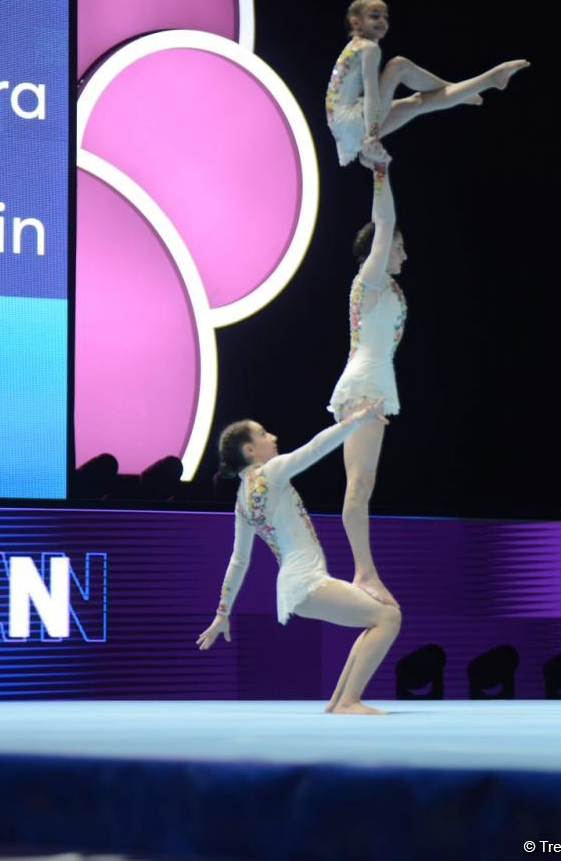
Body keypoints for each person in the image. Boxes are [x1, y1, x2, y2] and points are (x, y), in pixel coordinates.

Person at [197, 403, 402, 715]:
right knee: (389, 618)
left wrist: (222, 613)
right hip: (307, 583)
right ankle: (348, 701)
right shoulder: (271, 472)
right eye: (264, 434)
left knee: (379, 617)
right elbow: (315, 448)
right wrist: (356, 420)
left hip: (298, 585)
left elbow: (238, 561)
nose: (274, 437)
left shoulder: (242, 501)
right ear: (250, 449)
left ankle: (339, 702)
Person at [325, 0, 529, 167]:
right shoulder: (368, 49)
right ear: (356, 22)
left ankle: (489, 80)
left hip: (343, 129)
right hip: (352, 121)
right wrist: (371, 137)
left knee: (418, 102)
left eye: (385, 17)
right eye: (374, 16)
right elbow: (371, 93)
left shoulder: (358, 46)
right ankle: (460, 88)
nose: (382, 21)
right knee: (398, 66)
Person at [328, 159, 405, 607]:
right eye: (398, 247)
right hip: (360, 392)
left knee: (365, 485)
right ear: (378, 249)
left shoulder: (387, 289)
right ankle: (363, 572)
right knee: (357, 488)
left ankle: (365, 571)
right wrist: (381, 171)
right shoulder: (370, 280)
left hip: (372, 392)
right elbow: (386, 220)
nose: (403, 254)